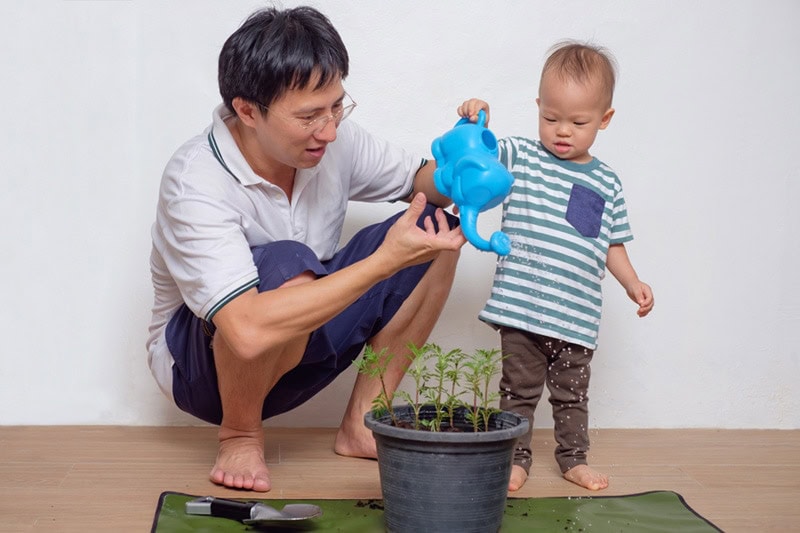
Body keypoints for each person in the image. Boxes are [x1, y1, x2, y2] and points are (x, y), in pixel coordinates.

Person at [146, 6, 465, 493]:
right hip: (201, 371)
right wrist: (384, 262)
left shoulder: (332, 140)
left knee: (434, 229)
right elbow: (248, 331)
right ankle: (240, 434)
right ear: (248, 111)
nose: (330, 130)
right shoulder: (195, 182)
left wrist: (461, 167)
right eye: (310, 116)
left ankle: (363, 423)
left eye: (337, 106)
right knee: (286, 258)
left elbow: (418, 182)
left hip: (299, 339)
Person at [458, 41, 654, 492]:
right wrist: (477, 118)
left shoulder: (606, 182)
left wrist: (632, 282)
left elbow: (612, 244)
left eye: (578, 122)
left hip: (576, 316)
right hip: (522, 310)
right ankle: (516, 458)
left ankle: (573, 459)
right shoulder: (523, 156)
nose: (561, 131)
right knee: (518, 393)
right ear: (539, 108)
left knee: (571, 397)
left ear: (604, 120)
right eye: (550, 118)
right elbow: (483, 153)